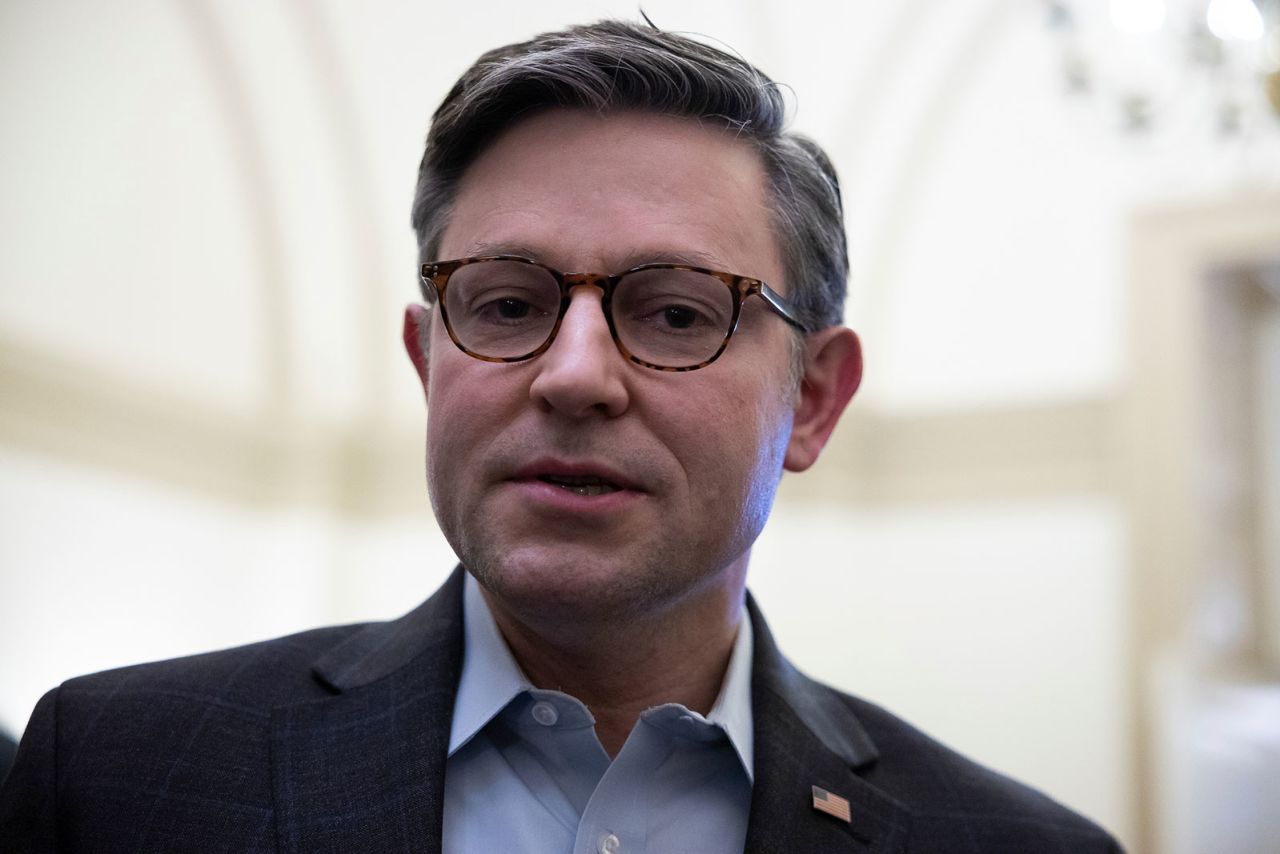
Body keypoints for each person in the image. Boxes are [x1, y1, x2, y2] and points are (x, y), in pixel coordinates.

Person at [0, 19, 1122, 853]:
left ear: (814, 400)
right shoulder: (119, 771)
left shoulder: (1010, 843)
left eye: (677, 311)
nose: (574, 375)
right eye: (503, 303)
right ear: (425, 359)